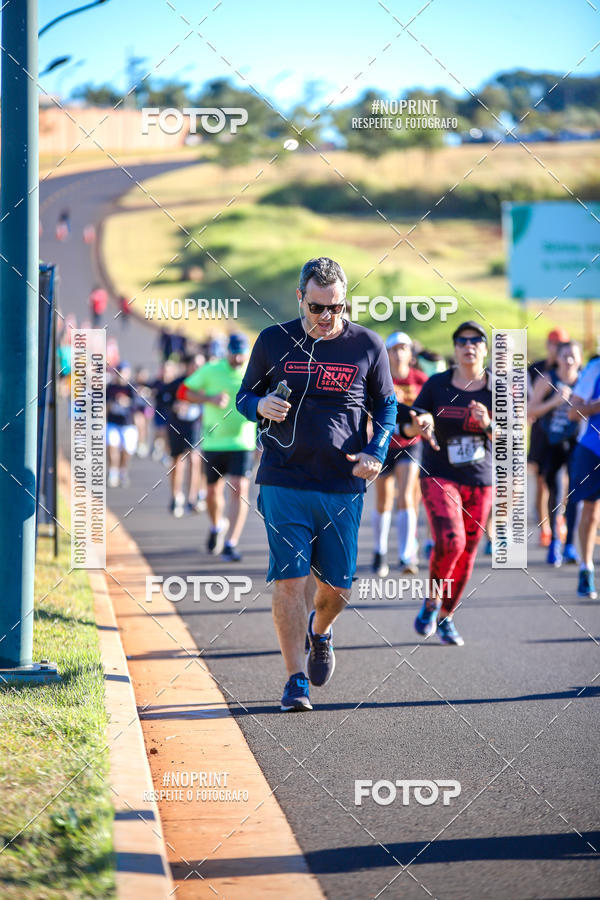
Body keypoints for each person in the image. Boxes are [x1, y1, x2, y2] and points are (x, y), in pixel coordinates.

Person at [235, 257, 397, 712]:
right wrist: (258, 406)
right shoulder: (273, 340)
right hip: (283, 478)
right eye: (317, 307)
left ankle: (320, 631)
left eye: (336, 307)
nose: (327, 317)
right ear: (300, 299)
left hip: (342, 482)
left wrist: (377, 450)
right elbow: (244, 395)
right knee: (290, 580)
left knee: (338, 589)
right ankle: (295, 680)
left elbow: (387, 406)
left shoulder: (367, 344)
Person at [405, 321, 493, 647]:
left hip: (480, 480)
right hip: (440, 474)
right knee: (451, 542)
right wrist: (422, 423)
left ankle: (446, 615)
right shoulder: (437, 384)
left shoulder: (497, 390)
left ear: (485, 349)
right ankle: (432, 600)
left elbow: (512, 440)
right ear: (455, 349)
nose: (469, 346)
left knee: (467, 552)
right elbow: (412, 422)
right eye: (462, 341)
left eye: (476, 340)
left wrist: (488, 424)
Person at [177, 334, 256, 560]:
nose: (238, 358)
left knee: (240, 488)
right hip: (214, 441)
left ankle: (231, 543)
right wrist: (209, 399)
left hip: (242, 442)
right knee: (212, 493)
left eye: (242, 353)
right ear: (227, 351)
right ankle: (216, 526)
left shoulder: (254, 371)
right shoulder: (211, 370)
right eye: (235, 353)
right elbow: (183, 392)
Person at [372, 332, 428, 577]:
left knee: (406, 496)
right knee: (383, 501)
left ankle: (407, 555)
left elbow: (429, 410)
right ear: (387, 354)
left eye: (403, 348)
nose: (398, 354)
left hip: (411, 443)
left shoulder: (420, 379)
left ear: (410, 354)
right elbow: (370, 410)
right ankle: (380, 552)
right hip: (384, 444)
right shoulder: (380, 378)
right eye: (393, 349)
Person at [529, 341, 582, 566]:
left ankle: (569, 545)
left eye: (573, 356)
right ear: (557, 358)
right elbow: (530, 410)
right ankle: (554, 542)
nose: (569, 360)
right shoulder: (547, 379)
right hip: (551, 442)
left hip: (577, 442)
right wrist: (555, 401)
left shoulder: (584, 381)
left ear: (580, 360)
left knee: (575, 491)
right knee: (555, 489)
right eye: (565, 355)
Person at [528, 328, 570, 547]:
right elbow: (527, 400)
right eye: (554, 344)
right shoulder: (537, 369)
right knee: (542, 481)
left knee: (564, 480)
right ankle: (545, 527)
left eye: (561, 344)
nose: (557, 348)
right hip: (541, 432)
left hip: (566, 433)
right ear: (548, 345)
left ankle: (559, 519)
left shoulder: (571, 367)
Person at [568, 356, 600, 599]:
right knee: (590, 511)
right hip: (592, 448)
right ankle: (586, 567)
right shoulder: (595, 368)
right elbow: (573, 412)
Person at [106, 362, 139, 488]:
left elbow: (138, 405)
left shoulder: (132, 388)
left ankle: (123, 471)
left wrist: (127, 402)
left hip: (128, 424)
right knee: (112, 446)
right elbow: (104, 403)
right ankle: (113, 472)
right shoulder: (110, 387)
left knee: (127, 450)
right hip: (113, 423)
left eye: (124, 373)